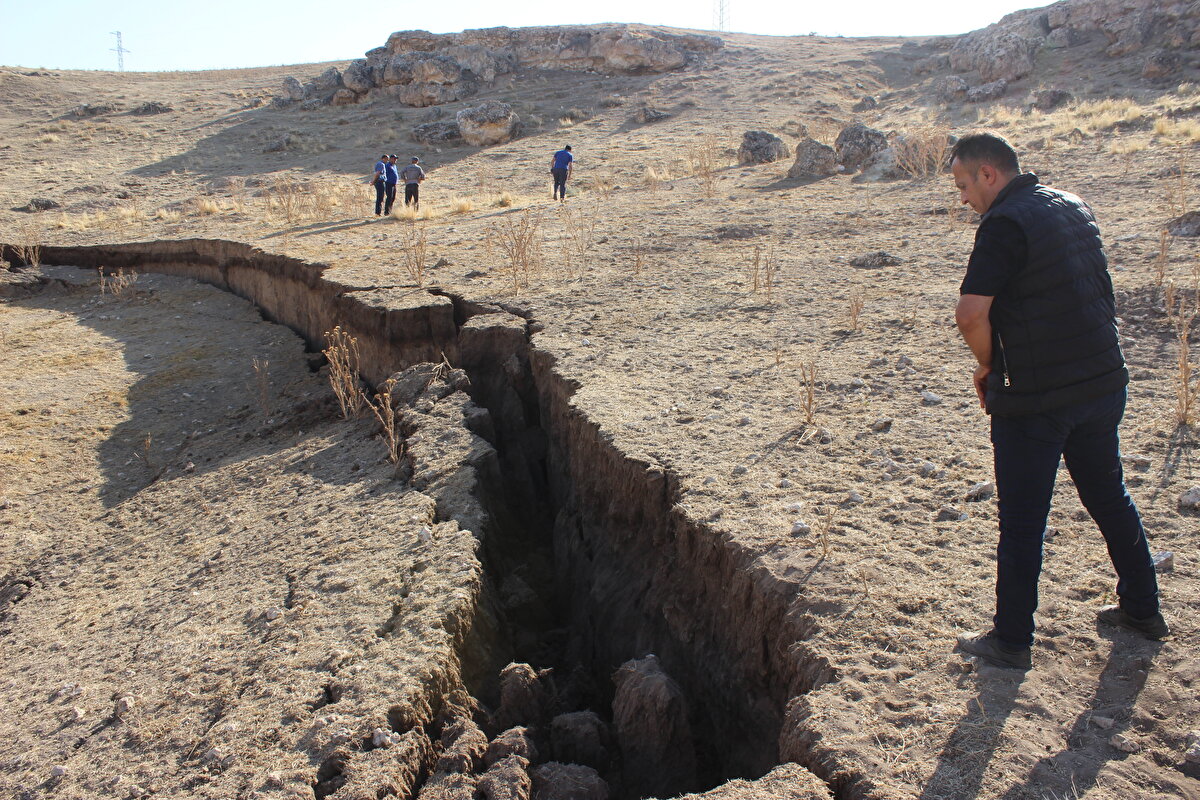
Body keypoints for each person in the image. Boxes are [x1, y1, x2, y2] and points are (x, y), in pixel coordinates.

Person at [951, 132, 1167, 671]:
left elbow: (971, 314)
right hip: (1101, 381)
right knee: (1108, 494)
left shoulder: (1003, 223)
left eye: (963, 184)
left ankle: (1011, 642)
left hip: (1038, 396)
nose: (962, 199)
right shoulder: (1072, 204)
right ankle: (1143, 610)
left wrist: (987, 365)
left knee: (1023, 517)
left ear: (989, 174)